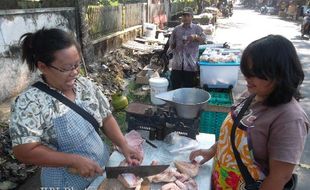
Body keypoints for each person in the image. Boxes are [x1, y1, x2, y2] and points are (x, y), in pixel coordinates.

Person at [9, 28, 142, 189]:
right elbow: (23, 150)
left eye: (77, 65)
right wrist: (73, 160)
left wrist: (123, 145)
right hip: (64, 182)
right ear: (43, 66)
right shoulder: (30, 102)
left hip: (100, 173)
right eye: (66, 68)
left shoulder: (85, 85)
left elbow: (106, 117)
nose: (74, 72)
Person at [190, 35, 309, 189]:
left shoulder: (290, 119)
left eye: (256, 73)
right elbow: (231, 135)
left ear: (280, 73)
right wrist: (211, 151)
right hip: (222, 182)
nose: (247, 77)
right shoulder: (251, 95)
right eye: (246, 70)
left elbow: (279, 177)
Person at [168, 7, 207, 89]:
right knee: (175, 87)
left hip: (190, 65)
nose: (185, 18)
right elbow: (171, 44)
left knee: (189, 88)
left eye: (188, 15)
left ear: (192, 17)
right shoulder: (176, 29)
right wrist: (176, 45)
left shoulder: (197, 29)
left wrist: (195, 37)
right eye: (184, 16)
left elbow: (204, 40)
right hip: (177, 64)